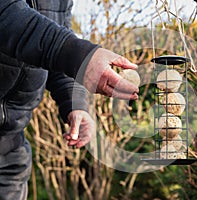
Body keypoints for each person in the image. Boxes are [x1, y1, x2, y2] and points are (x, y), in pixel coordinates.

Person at [0, 0, 139, 199]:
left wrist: (75, 103)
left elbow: (56, 46)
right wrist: (81, 56)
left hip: (10, 149)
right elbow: (8, 15)